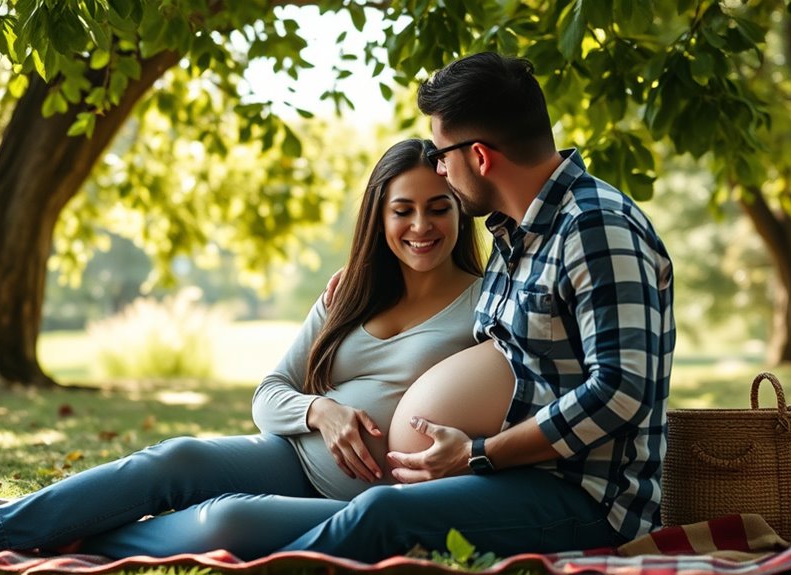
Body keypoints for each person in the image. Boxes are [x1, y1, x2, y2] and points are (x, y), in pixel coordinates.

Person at [0, 138, 490, 560]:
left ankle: (47, 523)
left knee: (227, 523)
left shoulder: (487, 304)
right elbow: (268, 395)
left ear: (460, 212)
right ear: (377, 220)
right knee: (178, 458)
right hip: (292, 453)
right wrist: (317, 411)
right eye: (401, 210)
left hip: (363, 499)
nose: (420, 226)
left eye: (439, 208)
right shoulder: (347, 294)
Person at [272, 51, 676, 562]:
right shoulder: (515, 237)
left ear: (480, 157)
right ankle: (203, 538)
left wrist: (477, 456)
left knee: (383, 516)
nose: (440, 166)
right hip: (511, 479)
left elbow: (621, 391)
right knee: (238, 509)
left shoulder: (595, 227)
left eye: (442, 154)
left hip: (585, 500)